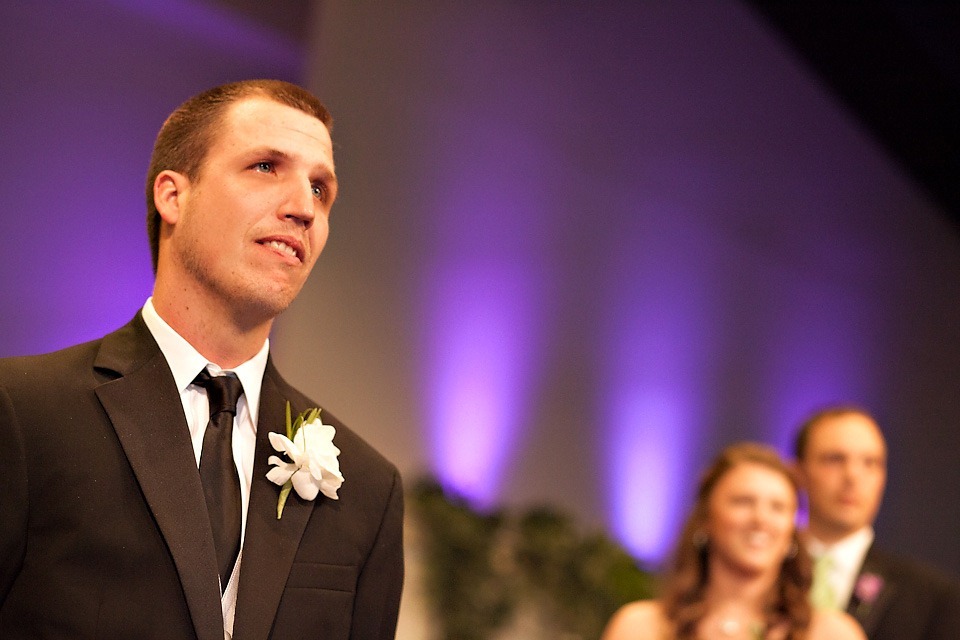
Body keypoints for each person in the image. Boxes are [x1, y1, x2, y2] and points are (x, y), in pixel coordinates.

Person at [0, 80, 404, 639]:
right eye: (266, 167)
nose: (303, 208)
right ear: (173, 196)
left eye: (320, 189)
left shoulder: (367, 487)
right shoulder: (23, 413)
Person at [602, 442, 865, 640]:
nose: (761, 519)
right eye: (743, 502)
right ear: (706, 519)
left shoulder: (832, 633)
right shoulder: (642, 628)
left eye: (778, 507)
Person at [794, 405, 960, 640]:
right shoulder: (759, 575)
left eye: (870, 463)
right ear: (798, 472)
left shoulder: (933, 598)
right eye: (834, 459)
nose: (852, 476)